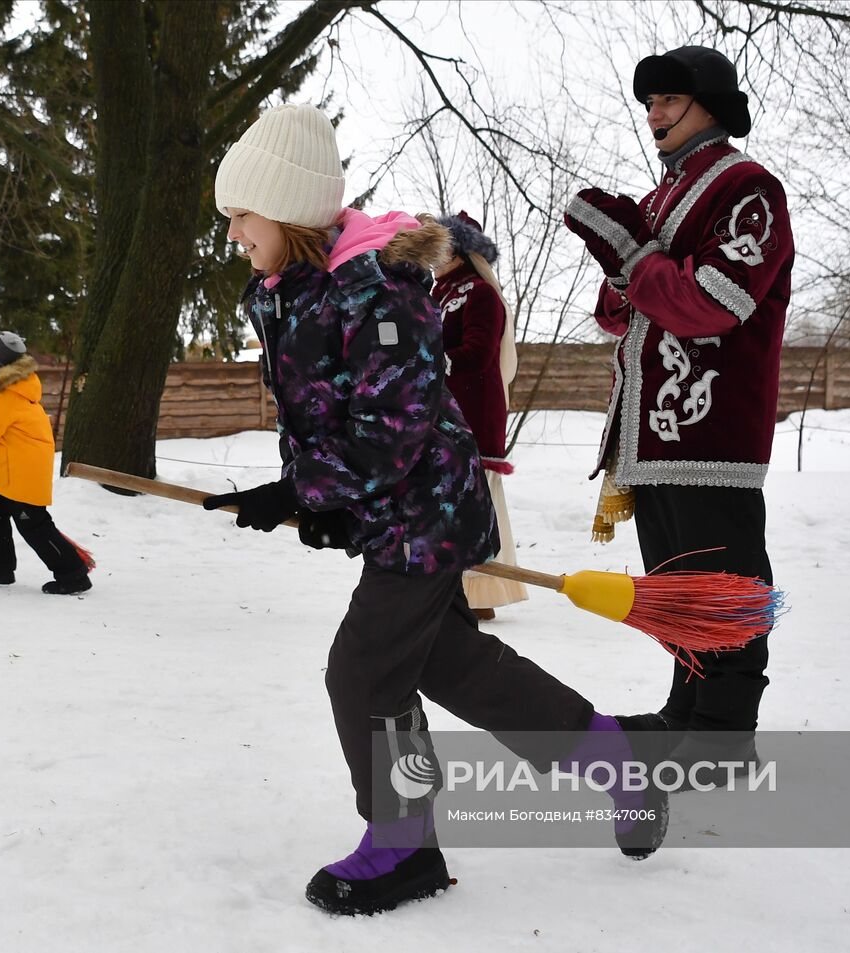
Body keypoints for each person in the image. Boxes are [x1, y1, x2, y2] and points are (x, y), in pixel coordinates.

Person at [203, 103, 667, 918]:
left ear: (286, 207)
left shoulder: (377, 289)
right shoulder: (288, 290)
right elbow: (323, 412)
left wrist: (306, 491)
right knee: (449, 666)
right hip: (390, 507)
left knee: (363, 670)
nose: (233, 232)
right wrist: (322, 499)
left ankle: (405, 841)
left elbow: (394, 427)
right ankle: (616, 759)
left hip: (427, 510)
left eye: (242, 215)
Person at [563, 46, 791, 759]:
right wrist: (638, 267)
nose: (655, 115)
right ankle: (685, 711)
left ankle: (725, 735)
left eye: (669, 100)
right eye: (650, 103)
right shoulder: (664, 196)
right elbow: (614, 309)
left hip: (710, 426)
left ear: (711, 107)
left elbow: (714, 300)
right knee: (674, 584)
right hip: (650, 430)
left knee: (723, 580)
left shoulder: (749, 188)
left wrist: (637, 262)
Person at [0, 332, 93, 595]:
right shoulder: (12, 389)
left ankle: (73, 574)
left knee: (34, 524)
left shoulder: (3, 394)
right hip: (18, 468)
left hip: (21, 471)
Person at [431, 212, 528, 621]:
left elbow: (478, 353)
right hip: (441, 414)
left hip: (472, 415)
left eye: (439, 247)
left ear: (457, 250)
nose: (432, 256)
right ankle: (447, 589)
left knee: (477, 502)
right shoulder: (434, 295)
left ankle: (482, 591)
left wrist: (426, 361)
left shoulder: (481, 294)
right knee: (444, 501)